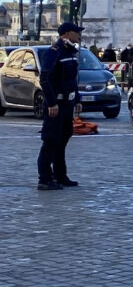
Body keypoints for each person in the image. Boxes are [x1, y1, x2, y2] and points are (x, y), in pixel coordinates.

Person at [37, 22, 83, 190]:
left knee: (62, 140)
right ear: (66, 34)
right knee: (50, 141)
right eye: (76, 32)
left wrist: (77, 99)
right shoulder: (54, 52)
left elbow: (72, 80)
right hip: (56, 104)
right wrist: (52, 103)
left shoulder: (70, 52)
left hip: (67, 103)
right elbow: (45, 79)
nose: (79, 35)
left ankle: (60, 176)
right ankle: (44, 179)